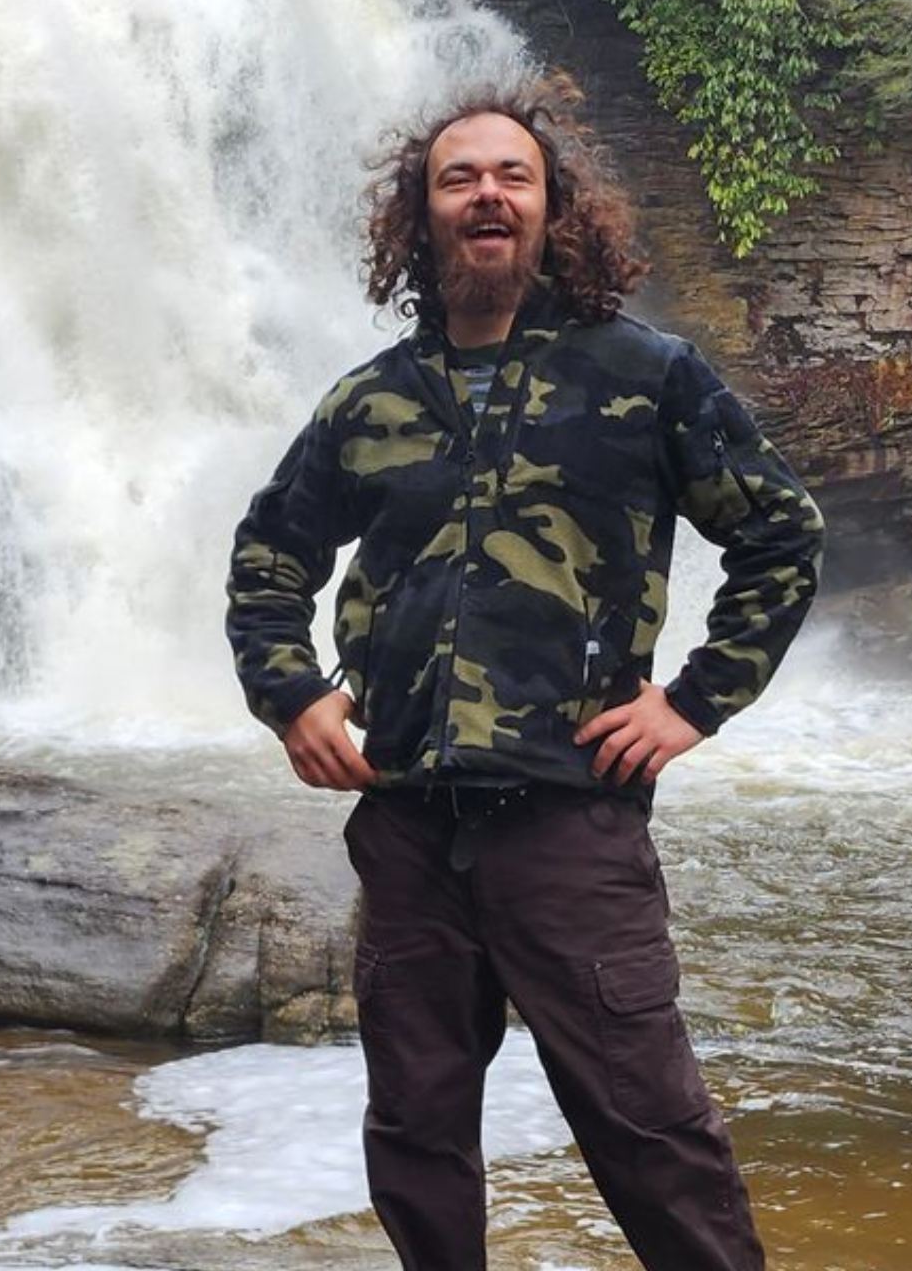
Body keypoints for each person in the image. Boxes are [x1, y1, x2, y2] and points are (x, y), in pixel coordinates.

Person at [226, 73, 823, 1271]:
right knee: (415, 1131)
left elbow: (780, 532)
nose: (485, 195)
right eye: (459, 178)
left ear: (554, 211)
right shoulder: (373, 398)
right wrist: (290, 692)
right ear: (423, 213)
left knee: (652, 1130)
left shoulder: (644, 374)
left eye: (512, 176)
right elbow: (271, 549)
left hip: (570, 824)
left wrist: (693, 702)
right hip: (405, 831)